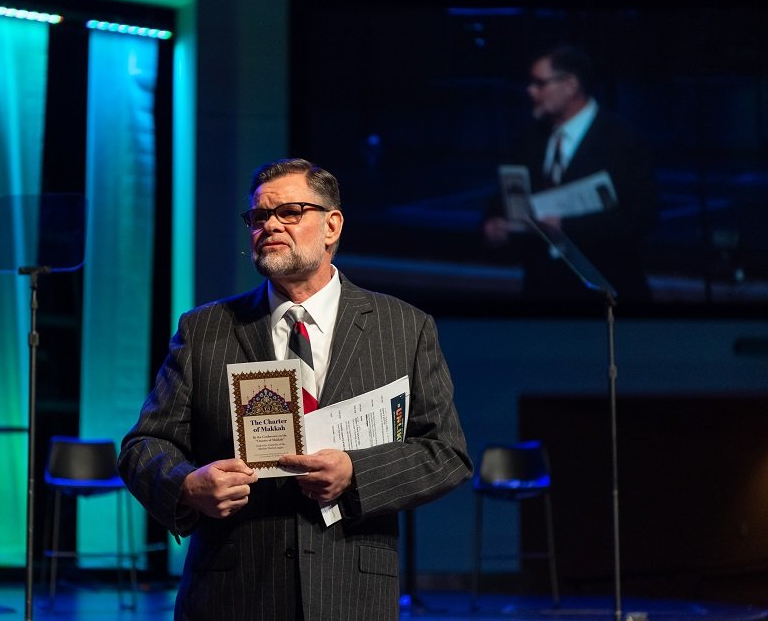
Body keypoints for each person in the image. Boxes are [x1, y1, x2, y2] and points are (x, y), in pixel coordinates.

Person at [117, 158, 471, 620]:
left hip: (351, 592)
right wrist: (186, 485)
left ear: (332, 225)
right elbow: (143, 446)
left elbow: (447, 453)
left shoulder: (404, 327)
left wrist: (354, 473)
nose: (269, 226)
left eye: (288, 212)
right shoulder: (205, 330)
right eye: (259, 217)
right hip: (233, 592)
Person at [483, 45, 658, 303]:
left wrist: (566, 228)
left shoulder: (621, 140)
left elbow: (642, 216)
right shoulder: (530, 140)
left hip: (605, 293)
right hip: (542, 293)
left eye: (540, 84)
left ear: (570, 85)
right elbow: (503, 198)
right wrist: (494, 225)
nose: (530, 91)